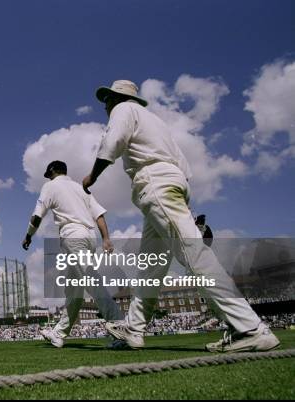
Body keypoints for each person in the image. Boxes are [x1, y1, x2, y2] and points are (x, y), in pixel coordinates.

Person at [82, 79, 280, 353]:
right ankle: (134, 330)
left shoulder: (123, 110)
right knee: (151, 266)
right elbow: (183, 169)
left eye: (108, 99)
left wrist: (91, 177)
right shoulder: (155, 122)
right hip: (172, 184)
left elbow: (112, 141)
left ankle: (250, 328)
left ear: (118, 98)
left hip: (154, 183)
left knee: (194, 254)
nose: (105, 104)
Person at [22, 160, 124, 348]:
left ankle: (120, 326)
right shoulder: (79, 187)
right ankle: (59, 334)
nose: (49, 177)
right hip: (89, 236)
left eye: (49, 174)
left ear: (52, 172)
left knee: (90, 279)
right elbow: (98, 214)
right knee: (74, 290)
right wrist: (106, 238)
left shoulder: (50, 186)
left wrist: (28, 236)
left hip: (72, 236)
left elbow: (37, 215)